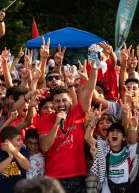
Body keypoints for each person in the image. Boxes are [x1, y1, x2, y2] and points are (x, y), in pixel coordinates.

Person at [36, 60, 98, 193]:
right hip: (53, 180)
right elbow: (45, 147)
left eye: (64, 100)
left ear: (70, 99)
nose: (61, 104)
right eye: (57, 101)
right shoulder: (45, 120)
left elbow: (89, 89)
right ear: (52, 103)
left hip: (77, 178)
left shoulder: (78, 113)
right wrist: (57, 124)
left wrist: (94, 68)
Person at [0, 126, 30, 193]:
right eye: (18, 140)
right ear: (7, 142)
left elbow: (27, 166)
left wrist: (14, 151)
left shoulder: (23, 151)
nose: (21, 142)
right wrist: (10, 158)